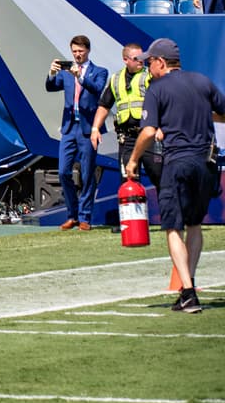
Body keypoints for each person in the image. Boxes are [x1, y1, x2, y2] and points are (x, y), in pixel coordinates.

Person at [125, 38, 225, 314]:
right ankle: (187, 287)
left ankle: (189, 293)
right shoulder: (202, 82)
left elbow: (147, 131)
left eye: (149, 62)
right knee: (194, 225)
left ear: (160, 62)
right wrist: (208, 117)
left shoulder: (157, 89)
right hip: (206, 163)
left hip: (177, 162)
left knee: (173, 227)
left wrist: (133, 160)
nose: (148, 67)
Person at [46, 34, 108, 231]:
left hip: (89, 128)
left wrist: (79, 76)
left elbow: (97, 89)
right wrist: (52, 73)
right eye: (74, 52)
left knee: (88, 173)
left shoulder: (99, 71)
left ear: (88, 51)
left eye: (80, 51)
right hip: (69, 127)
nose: (77, 55)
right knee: (64, 171)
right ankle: (72, 214)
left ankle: (84, 216)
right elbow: (50, 87)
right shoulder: (65, 73)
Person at [94, 42, 161, 189]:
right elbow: (104, 105)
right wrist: (95, 128)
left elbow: (164, 102)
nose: (141, 61)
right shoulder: (115, 79)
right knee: (129, 182)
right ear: (126, 60)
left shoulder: (150, 76)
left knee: (161, 178)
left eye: (142, 58)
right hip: (127, 139)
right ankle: (134, 212)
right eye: (136, 58)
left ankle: (168, 211)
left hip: (149, 136)